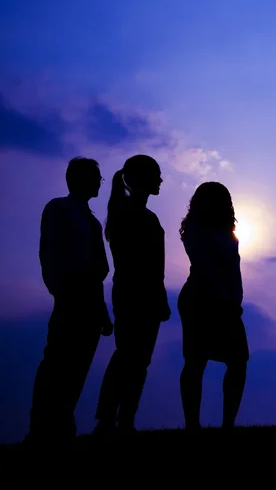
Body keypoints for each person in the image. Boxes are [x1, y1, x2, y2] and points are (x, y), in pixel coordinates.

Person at [28, 157, 112, 446]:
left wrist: (101, 310)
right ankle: (40, 428)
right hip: (70, 295)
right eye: (95, 177)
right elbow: (49, 253)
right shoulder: (58, 209)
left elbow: (99, 272)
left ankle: (63, 426)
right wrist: (60, 292)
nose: (98, 183)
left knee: (79, 366)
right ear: (78, 178)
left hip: (89, 298)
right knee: (57, 363)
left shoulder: (91, 220)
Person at [94, 154, 171, 436]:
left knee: (135, 359)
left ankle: (121, 419)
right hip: (136, 293)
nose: (161, 180)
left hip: (135, 293)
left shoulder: (129, 213)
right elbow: (144, 264)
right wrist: (157, 295)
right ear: (143, 179)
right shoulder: (132, 215)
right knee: (131, 358)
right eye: (157, 175)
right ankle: (112, 419)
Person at [178, 182, 249, 431]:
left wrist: (235, 297)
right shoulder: (196, 230)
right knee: (196, 361)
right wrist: (225, 296)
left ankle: (228, 423)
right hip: (200, 299)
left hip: (227, 301)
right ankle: (192, 424)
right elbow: (203, 265)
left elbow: (235, 266)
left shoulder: (229, 232)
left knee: (238, 360)